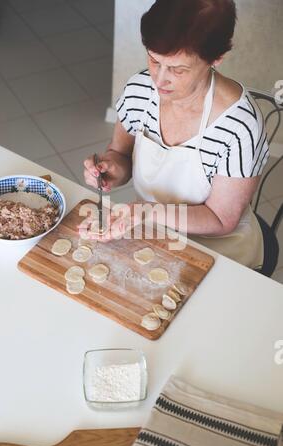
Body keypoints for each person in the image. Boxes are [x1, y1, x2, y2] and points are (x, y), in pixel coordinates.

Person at [83, 0, 269, 269]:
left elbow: (221, 219)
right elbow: (120, 154)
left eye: (178, 69)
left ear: (216, 59)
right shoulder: (140, 90)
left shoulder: (239, 125)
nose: (159, 79)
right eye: (154, 60)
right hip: (155, 234)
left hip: (222, 255)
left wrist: (147, 211)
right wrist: (111, 167)